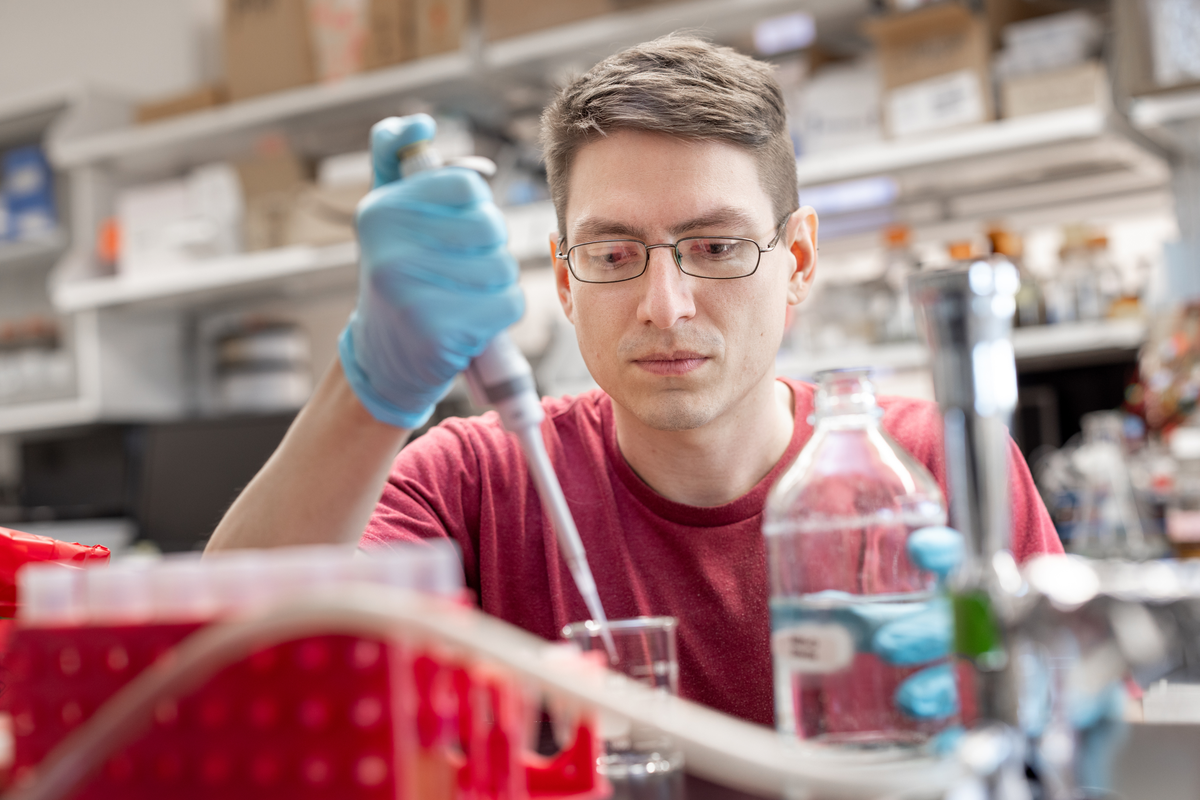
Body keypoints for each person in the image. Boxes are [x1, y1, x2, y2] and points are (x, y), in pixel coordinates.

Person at [207, 35, 1062, 727]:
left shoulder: (921, 471)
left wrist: (1000, 704)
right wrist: (367, 390)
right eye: (614, 253)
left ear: (796, 262)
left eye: (717, 247)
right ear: (566, 280)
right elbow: (216, 666)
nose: (665, 304)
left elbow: (1086, 741)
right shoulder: (480, 479)